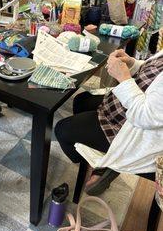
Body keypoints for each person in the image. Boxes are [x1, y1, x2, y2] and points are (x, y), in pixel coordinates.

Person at [55, 48, 163, 195]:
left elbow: (145, 117)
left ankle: (97, 160)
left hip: (133, 133)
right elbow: (153, 71)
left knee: (62, 130)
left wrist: (123, 76)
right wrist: (132, 63)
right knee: (81, 101)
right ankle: (102, 160)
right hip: (126, 110)